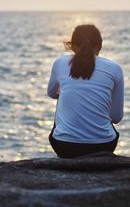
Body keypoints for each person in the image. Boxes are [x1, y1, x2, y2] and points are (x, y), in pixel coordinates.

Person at [47, 24, 124, 158]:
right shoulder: (114, 69)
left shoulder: (60, 63)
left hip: (64, 146)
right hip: (103, 146)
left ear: (72, 45)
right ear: (100, 45)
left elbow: (52, 93)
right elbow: (116, 118)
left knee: (62, 96)